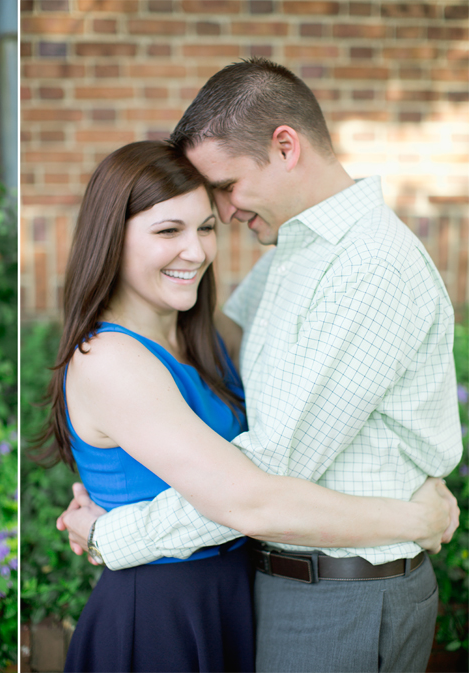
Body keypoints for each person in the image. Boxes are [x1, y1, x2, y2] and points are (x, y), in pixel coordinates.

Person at [57, 60, 463, 672]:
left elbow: (265, 481)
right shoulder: (291, 255)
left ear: (284, 146)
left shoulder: (367, 268)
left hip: (341, 591)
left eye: (220, 194)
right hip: (243, 594)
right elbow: (242, 473)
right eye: (172, 226)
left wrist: (117, 534)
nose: (215, 222)